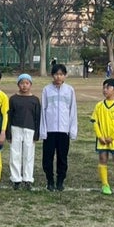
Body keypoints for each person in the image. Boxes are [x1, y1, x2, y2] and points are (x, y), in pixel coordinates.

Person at [40, 63, 78, 191]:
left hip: (63, 130)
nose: (58, 77)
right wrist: (43, 130)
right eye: (56, 74)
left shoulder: (69, 90)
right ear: (52, 75)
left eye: (61, 74)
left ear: (65, 75)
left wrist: (72, 130)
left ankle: (60, 181)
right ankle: (50, 181)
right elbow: (43, 110)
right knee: (47, 158)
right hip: (50, 130)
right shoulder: (46, 90)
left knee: (62, 157)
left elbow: (72, 110)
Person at [7, 74, 41, 190]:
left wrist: (37, 133)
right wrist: (8, 133)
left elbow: (37, 117)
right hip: (15, 128)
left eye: (27, 83)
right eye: (22, 83)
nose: (24, 86)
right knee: (15, 154)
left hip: (30, 129)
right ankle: (16, 178)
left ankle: (28, 178)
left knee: (28, 154)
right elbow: (9, 116)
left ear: (30, 85)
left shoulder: (35, 100)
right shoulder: (13, 99)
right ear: (18, 85)